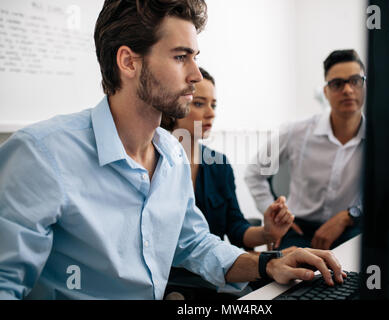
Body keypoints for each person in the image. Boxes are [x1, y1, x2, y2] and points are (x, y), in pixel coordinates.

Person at [0, 0, 346, 300]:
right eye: (181, 57)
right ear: (129, 62)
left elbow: (194, 244)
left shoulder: (171, 155)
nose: (195, 74)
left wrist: (270, 263)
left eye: (194, 57)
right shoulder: (41, 155)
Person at [161, 67, 296, 252]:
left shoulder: (219, 165)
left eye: (213, 105)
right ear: (172, 107)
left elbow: (235, 229)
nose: (211, 113)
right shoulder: (153, 160)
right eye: (199, 103)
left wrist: (268, 232)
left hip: (212, 272)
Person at [245, 49, 365, 251]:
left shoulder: (381, 138)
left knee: (357, 276)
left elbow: (387, 192)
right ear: (326, 92)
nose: (347, 90)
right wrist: (273, 215)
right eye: (337, 84)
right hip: (299, 230)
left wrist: (349, 215)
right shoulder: (296, 131)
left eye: (355, 81)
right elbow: (254, 173)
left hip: (351, 226)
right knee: (290, 277)